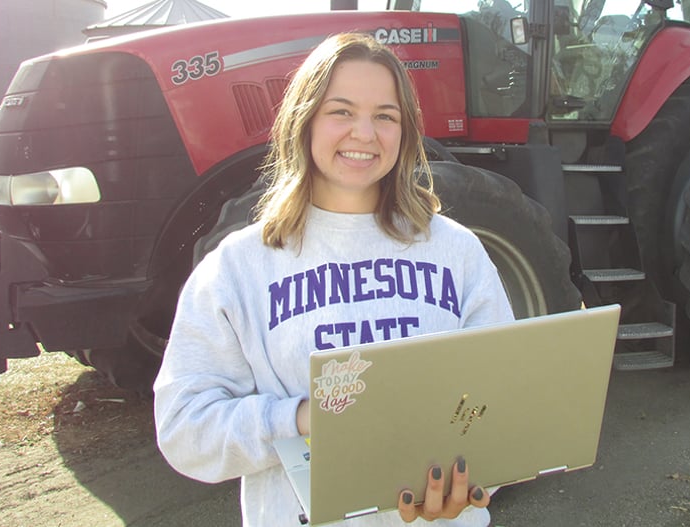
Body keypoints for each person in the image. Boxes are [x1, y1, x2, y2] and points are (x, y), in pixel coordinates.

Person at [153, 32, 514, 527]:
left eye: (385, 116)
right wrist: (302, 420)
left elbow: (500, 400)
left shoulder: (456, 250)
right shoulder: (237, 267)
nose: (364, 133)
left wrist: (472, 482)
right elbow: (183, 429)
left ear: (405, 132)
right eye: (340, 111)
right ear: (304, 121)